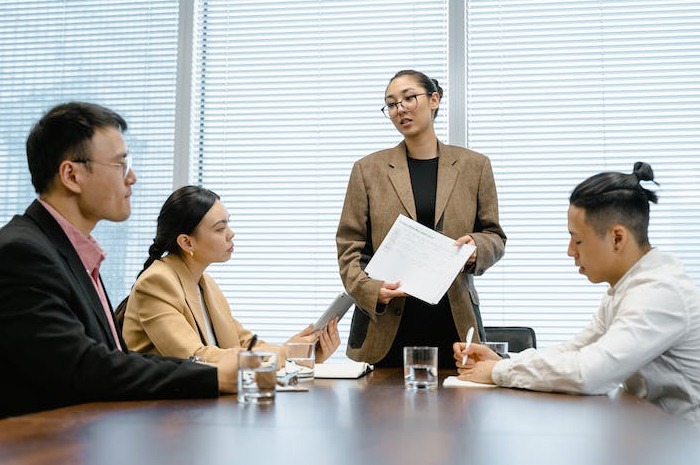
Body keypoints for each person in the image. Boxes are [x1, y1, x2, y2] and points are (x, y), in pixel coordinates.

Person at [0, 102, 238, 419]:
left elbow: (116, 357)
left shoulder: (71, 253)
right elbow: (85, 367)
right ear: (71, 174)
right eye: (120, 165)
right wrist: (213, 376)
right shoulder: (23, 253)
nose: (132, 178)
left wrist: (216, 372)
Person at [454, 162, 700, 423]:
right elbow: (577, 350)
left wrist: (499, 371)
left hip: (683, 444)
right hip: (648, 433)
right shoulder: (626, 288)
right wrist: (503, 360)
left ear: (618, 238)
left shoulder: (659, 292)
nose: (570, 251)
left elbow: (589, 373)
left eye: (578, 240)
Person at [336, 70, 507, 368]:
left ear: (434, 100)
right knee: (378, 412)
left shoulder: (474, 166)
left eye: (408, 98)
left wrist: (476, 247)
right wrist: (371, 289)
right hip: (387, 321)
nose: (400, 109)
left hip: (452, 318)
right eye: (391, 104)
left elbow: (494, 235)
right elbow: (349, 245)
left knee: (459, 411)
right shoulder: (367, 169)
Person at [120, 185, 341, 364]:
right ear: (186, 242)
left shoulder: (206, 284)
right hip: (159, 411)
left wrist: (301, 351)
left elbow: (246, 344)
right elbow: (195, 357)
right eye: (219, 228)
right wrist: (286, 353)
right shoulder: (157, 282)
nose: (231, 234)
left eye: (229, 224)